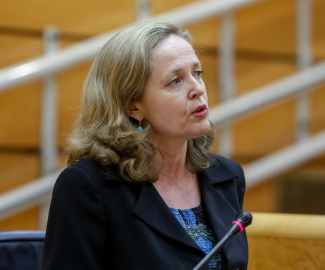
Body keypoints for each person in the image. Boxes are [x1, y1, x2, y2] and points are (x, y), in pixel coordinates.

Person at [42, 19, 248, 270]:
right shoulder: (88, 187)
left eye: (197, 73)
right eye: (175, 81)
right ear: (133, 106)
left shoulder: (227, 177)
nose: (197, 89)